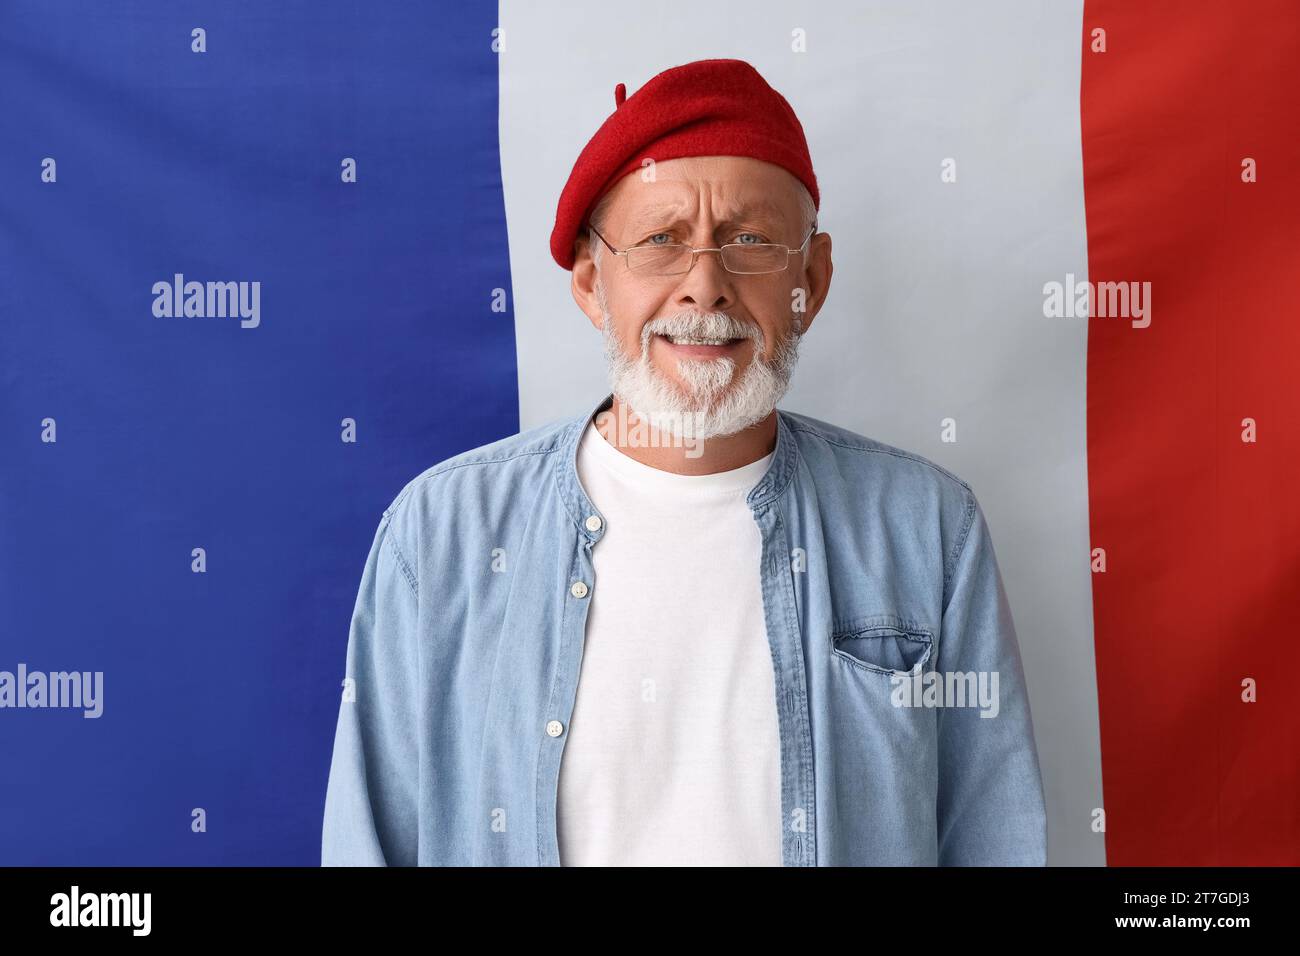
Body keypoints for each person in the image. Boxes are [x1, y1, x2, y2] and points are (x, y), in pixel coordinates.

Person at [322, 57, 1046, 866]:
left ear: (811, 278)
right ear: (594, 283)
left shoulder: (926, 527)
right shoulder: (441, 533)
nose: (706, 286)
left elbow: (994, 839)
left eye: (750, 240)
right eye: (662, 241)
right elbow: (368, 843)